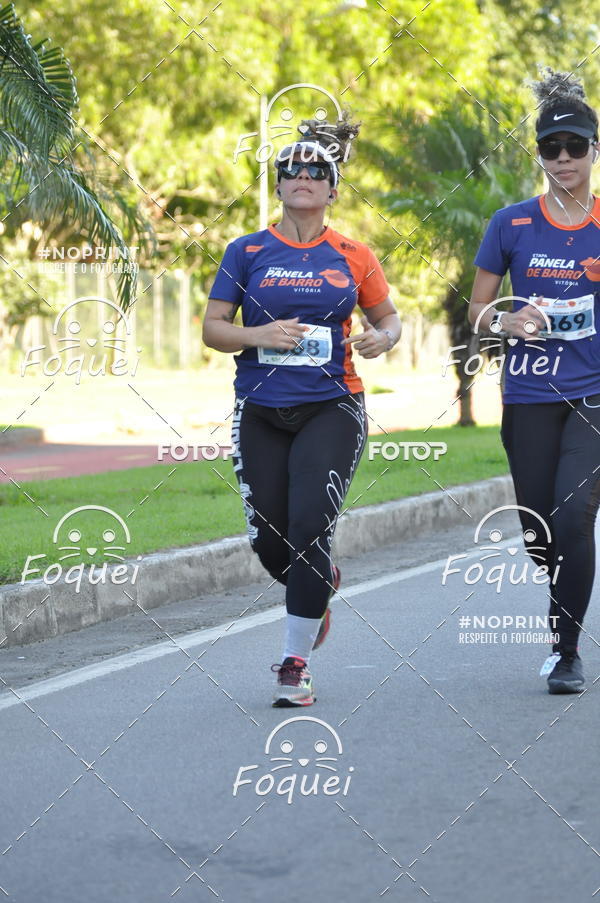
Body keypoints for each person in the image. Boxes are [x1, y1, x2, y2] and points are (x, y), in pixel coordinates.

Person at [203, 116, 401, 706]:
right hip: (261, 409)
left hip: (332, 407)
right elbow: (214, 330)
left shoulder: (354, 254)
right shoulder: (247, 251)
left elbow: (388, 319)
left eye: (317, 170)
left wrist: (382, 339)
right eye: (291, 169)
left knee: (311, 526)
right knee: (271, 541)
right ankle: (319, 587)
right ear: (279, 184)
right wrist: (260, 333)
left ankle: (294, 664)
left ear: (334, 189)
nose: (303, 177)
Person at [469, 68, 600, 694]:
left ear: (593, 151)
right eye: (552, 148)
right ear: (540, 155)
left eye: (576, 146)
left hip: (593, 394)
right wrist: (509, 318)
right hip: (526, 393)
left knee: (574, 516)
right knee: (541, 530)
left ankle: (566, 650)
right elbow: (477, 310)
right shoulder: (511, 223)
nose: (564, 158)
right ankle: (563, 599)